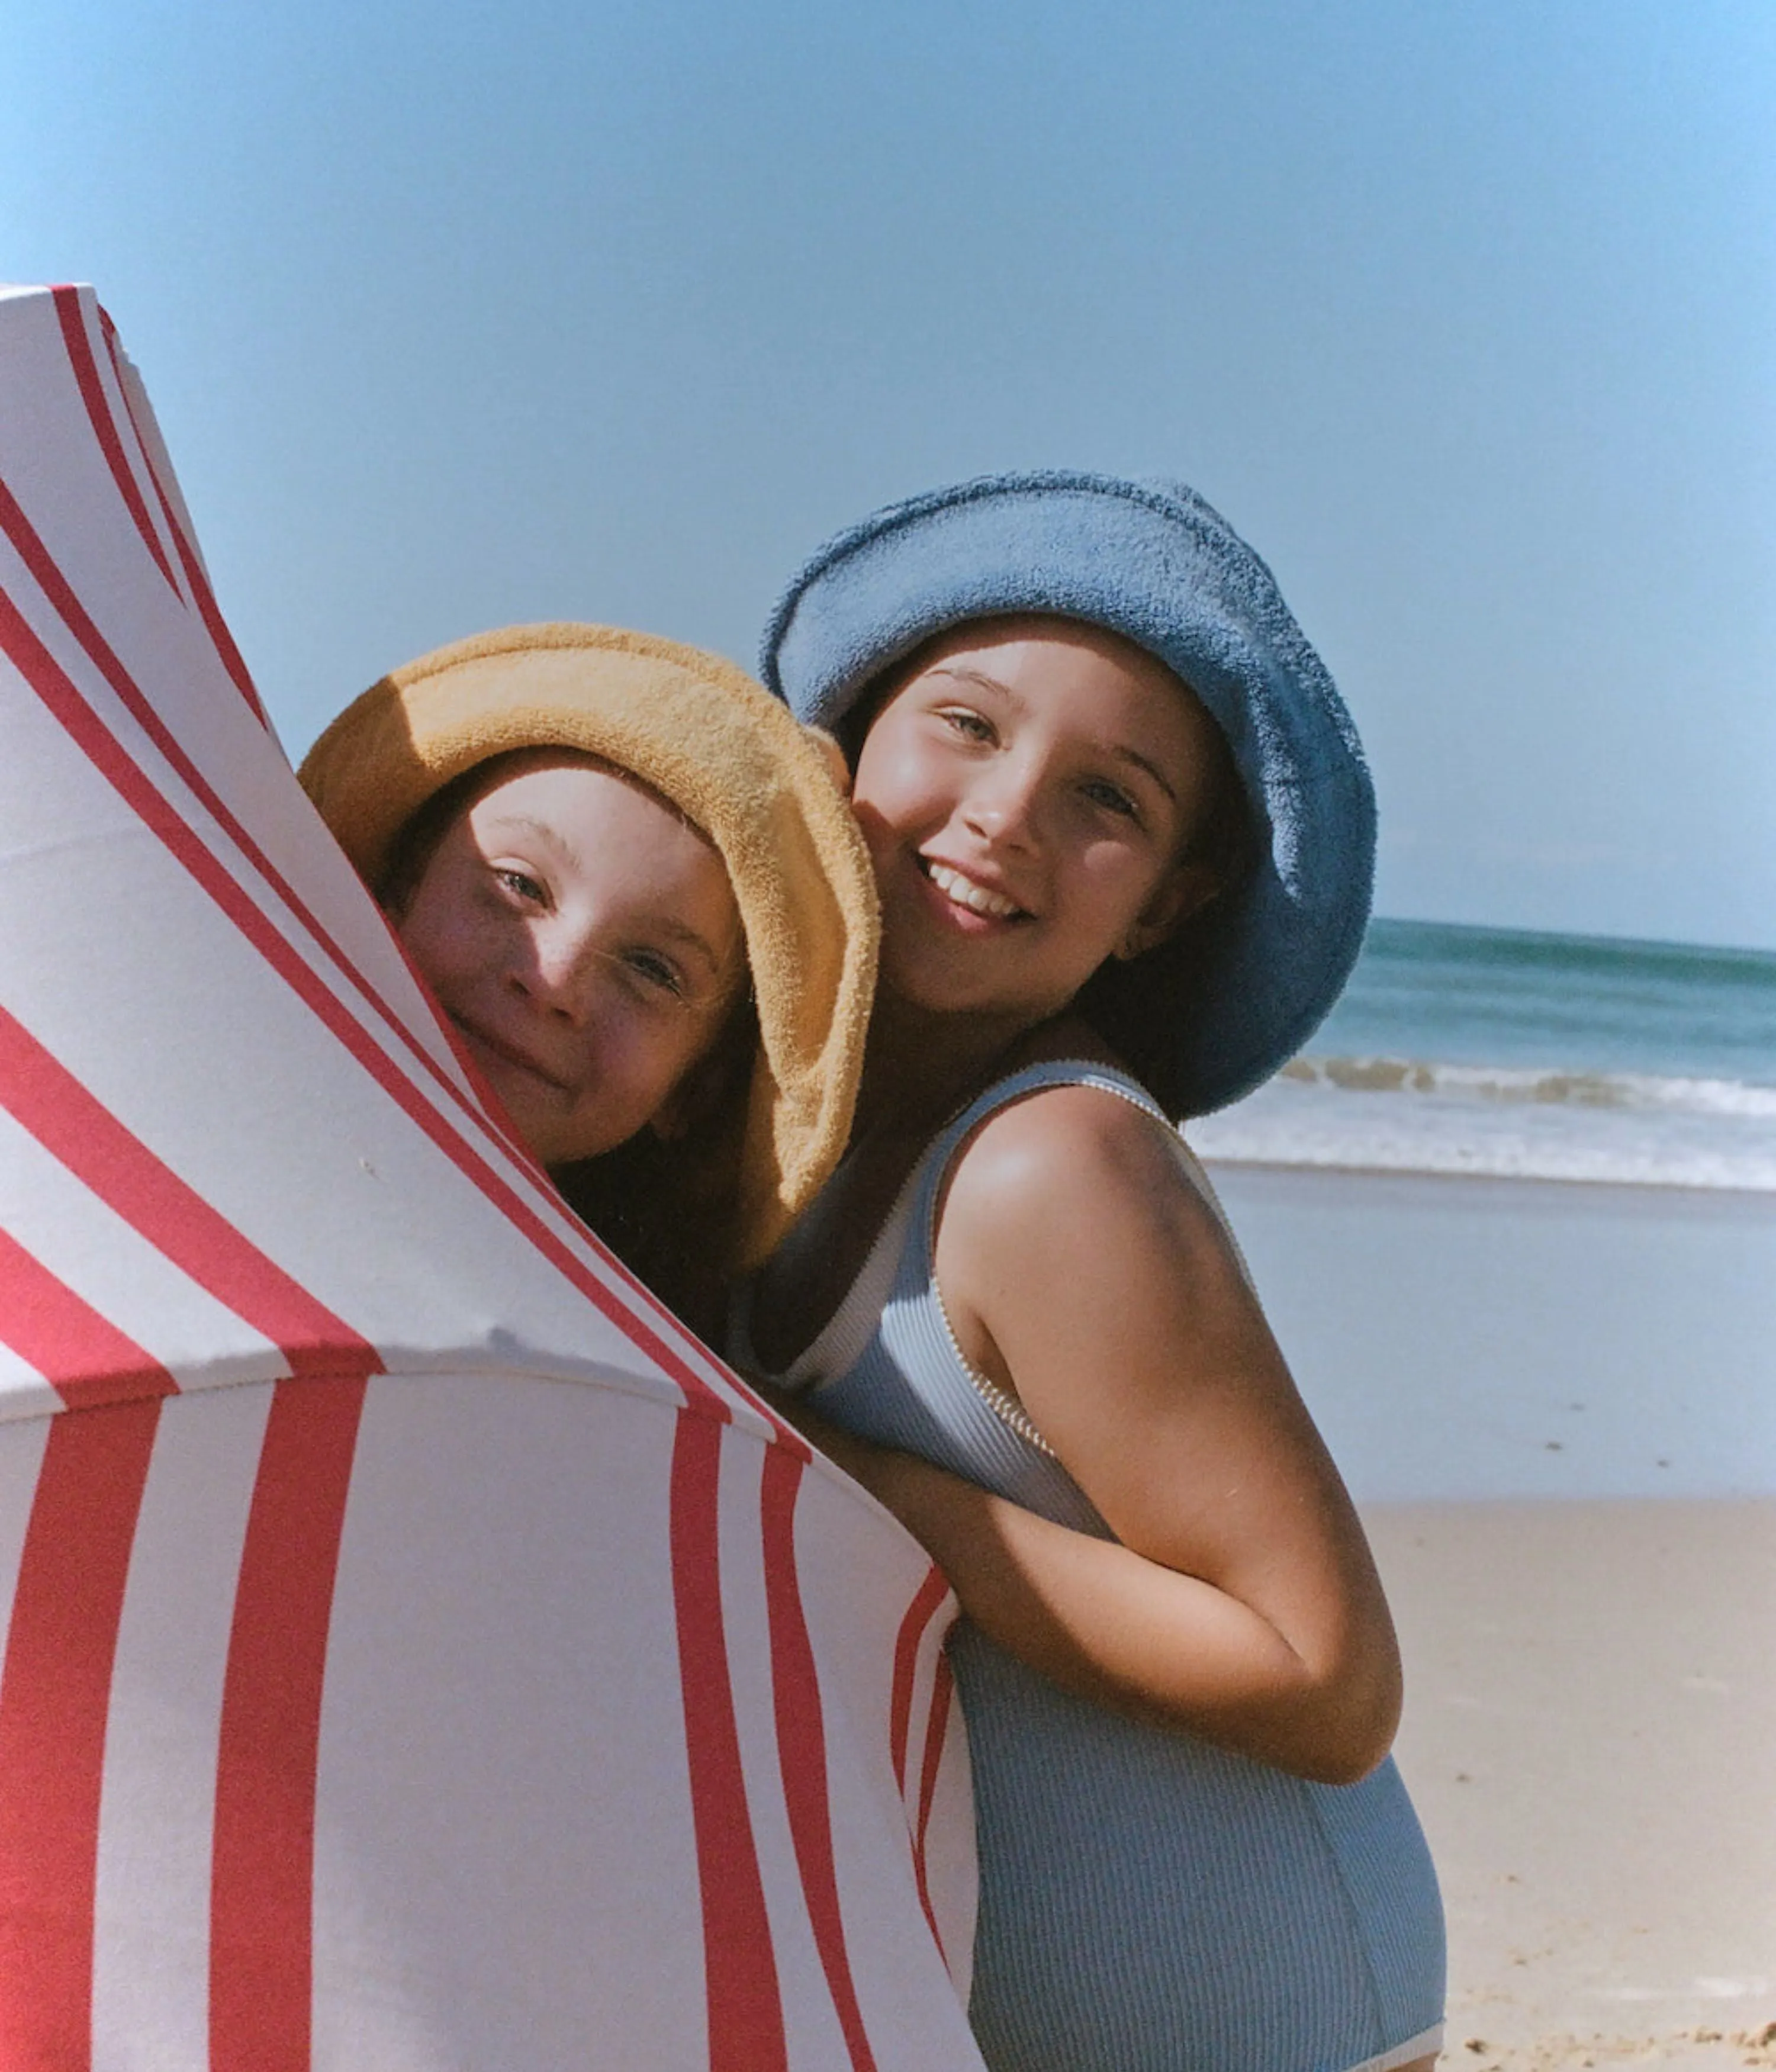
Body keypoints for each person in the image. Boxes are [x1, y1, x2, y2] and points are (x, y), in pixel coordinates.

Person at [732, 474, 1446, 2072]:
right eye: (968, 726)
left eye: (1107, 798)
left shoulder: (1055, 1168)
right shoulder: (786, 1122)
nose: (1009, 813)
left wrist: (856, 1492)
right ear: (842, 748)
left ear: (1163, 909)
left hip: (1265, 2020)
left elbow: (1325, 1678)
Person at [300, 620, 877, 1330]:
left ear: (695, 1089)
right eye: (518, 885)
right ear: (392, 891)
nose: (555, 981)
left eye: (651, 969)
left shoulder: (631, 1404)